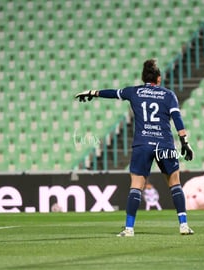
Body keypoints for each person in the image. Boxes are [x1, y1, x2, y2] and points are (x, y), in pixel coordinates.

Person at [75, 59, 194, 236]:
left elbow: (113, 93)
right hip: (164, 144)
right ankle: (183, 225)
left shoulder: (135, 91)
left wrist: (93, 92)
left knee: (136, 185)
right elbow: (177, 119)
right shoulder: (169, 95)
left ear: (143, 77)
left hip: (143, 144)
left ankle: (129, 228)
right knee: (175, 183)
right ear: (159, 79)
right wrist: (185, 141)